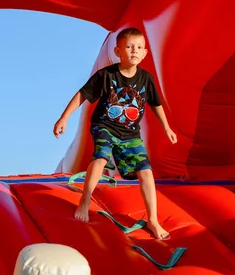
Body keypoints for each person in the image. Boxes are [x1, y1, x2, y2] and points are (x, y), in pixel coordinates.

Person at [53, 27, 178, 240]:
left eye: (139, 47)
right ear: (118, 51)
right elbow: (82, 95)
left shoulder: (146, 79)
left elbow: (156, 104)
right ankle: (85, 200)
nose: (134, 51)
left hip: (130, 134)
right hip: (105, 126)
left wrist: (167, 127)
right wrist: (64, 118)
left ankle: (153, 219)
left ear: (145, 53)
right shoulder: (106, 75)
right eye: (129, 47)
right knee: (101, 156)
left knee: (146, 172)